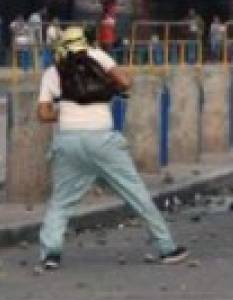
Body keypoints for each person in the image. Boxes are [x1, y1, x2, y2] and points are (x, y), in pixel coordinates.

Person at [37, 27, 187, 270]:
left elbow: (43, 114)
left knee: (61, 202)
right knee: (136, 194)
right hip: (103, 140)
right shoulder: (98, 56)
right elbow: (126, 82)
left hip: (69, 140)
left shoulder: (53, 71)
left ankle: (50, 255)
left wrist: (66, 112)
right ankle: (167, 247)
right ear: (85, 42)